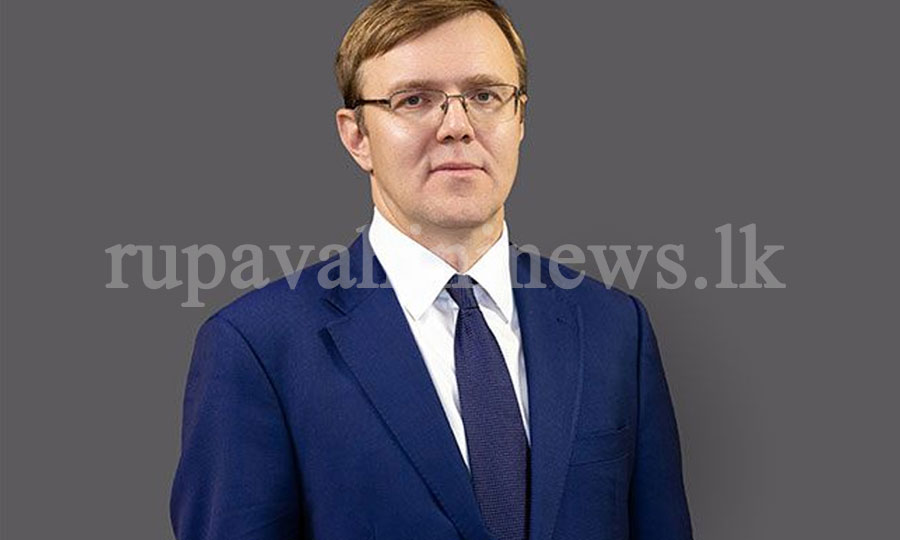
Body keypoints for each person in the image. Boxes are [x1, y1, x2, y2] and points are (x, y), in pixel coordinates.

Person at [170, 1, 693, 539]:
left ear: (520, 118)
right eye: (415, 99)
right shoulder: (256, 349)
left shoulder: (614, 328)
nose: (457, 127)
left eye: (485, 96)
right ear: (357, 136)